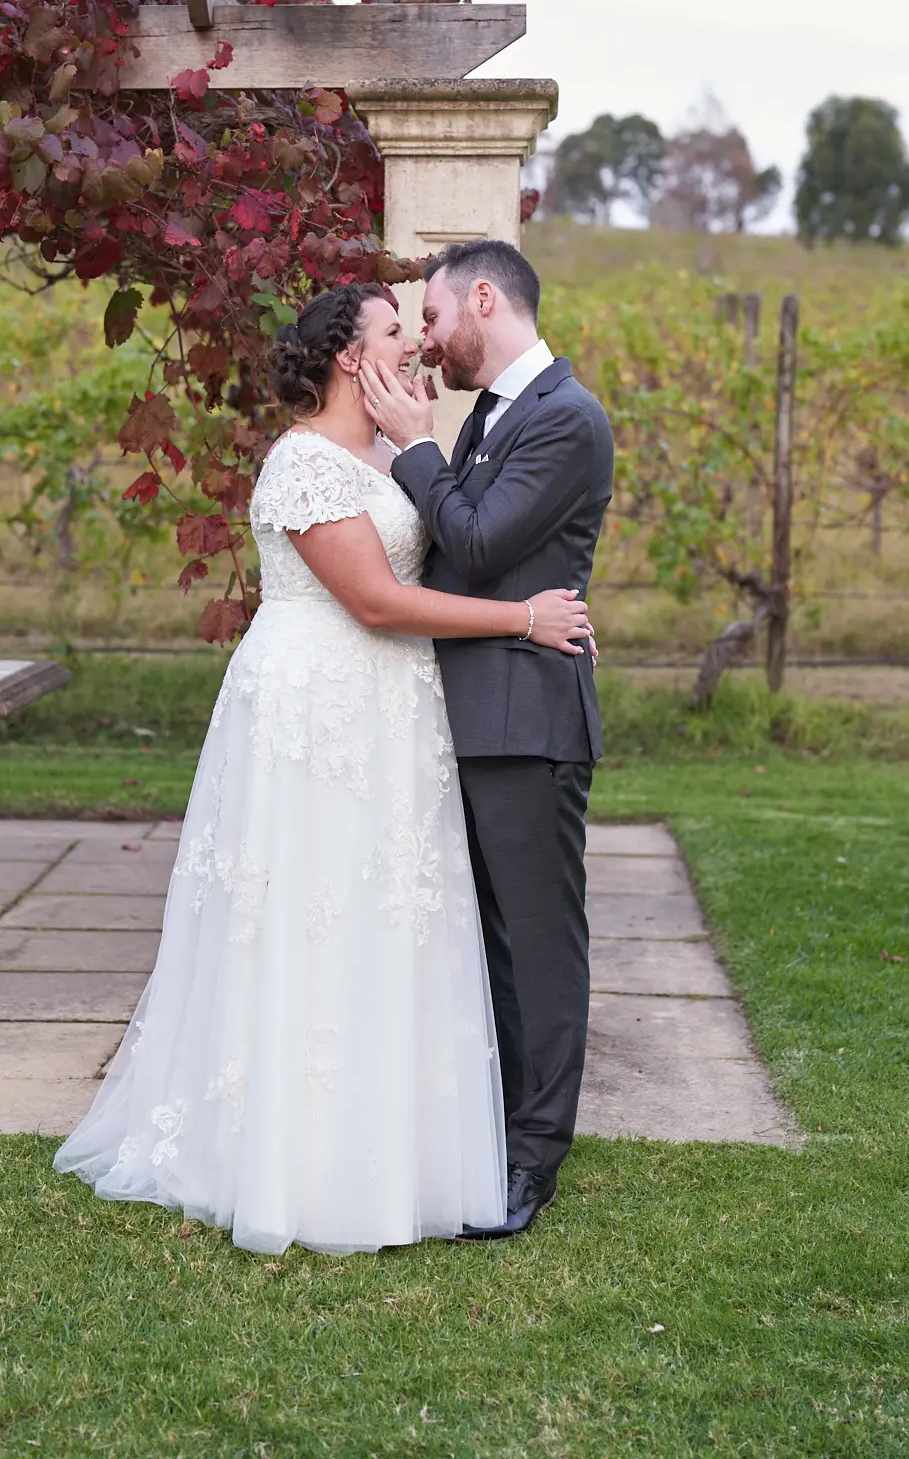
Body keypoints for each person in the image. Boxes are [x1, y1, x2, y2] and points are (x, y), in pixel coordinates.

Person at [54, 280, 593, 1256]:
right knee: (314, 909)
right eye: (397, 329)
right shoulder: (301, 463)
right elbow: (379, 602)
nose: (416, 344)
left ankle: (398, 1147)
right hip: (319, 703)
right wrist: (525, 619)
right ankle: (295, 1156)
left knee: (387, 913)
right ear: (351, 354)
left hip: (394, 711)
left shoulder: (392, 452)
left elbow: (457, 542)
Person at [359, 239, 614, 1241]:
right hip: (470, 717)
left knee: (540, 950)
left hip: (527, 725)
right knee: (491, 947)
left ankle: (533, 1160)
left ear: (481, 299)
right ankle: (490, 1127)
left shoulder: (567, 418)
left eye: (430, 320)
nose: (427, 340)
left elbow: (475, 541)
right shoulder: (494, 415)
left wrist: (417, 445)